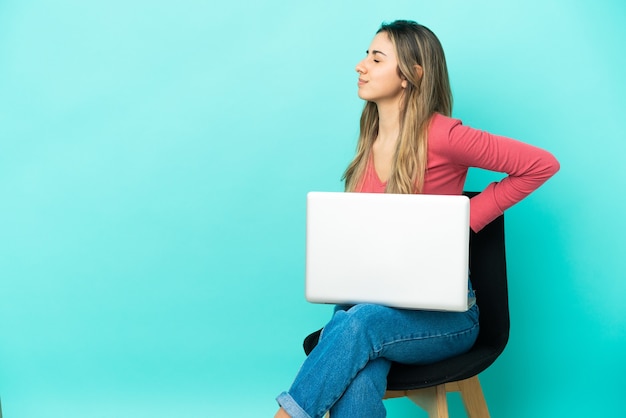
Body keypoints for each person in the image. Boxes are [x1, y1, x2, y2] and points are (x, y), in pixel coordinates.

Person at [274, 20, 559, 418]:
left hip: (446, 320)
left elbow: (540, 165)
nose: (360, 66)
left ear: (412, 74)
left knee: (357, 327)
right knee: (358, 360)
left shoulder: (444, 135)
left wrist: (463, 220)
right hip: (366, 307)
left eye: (376, 58)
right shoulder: (369, 136)